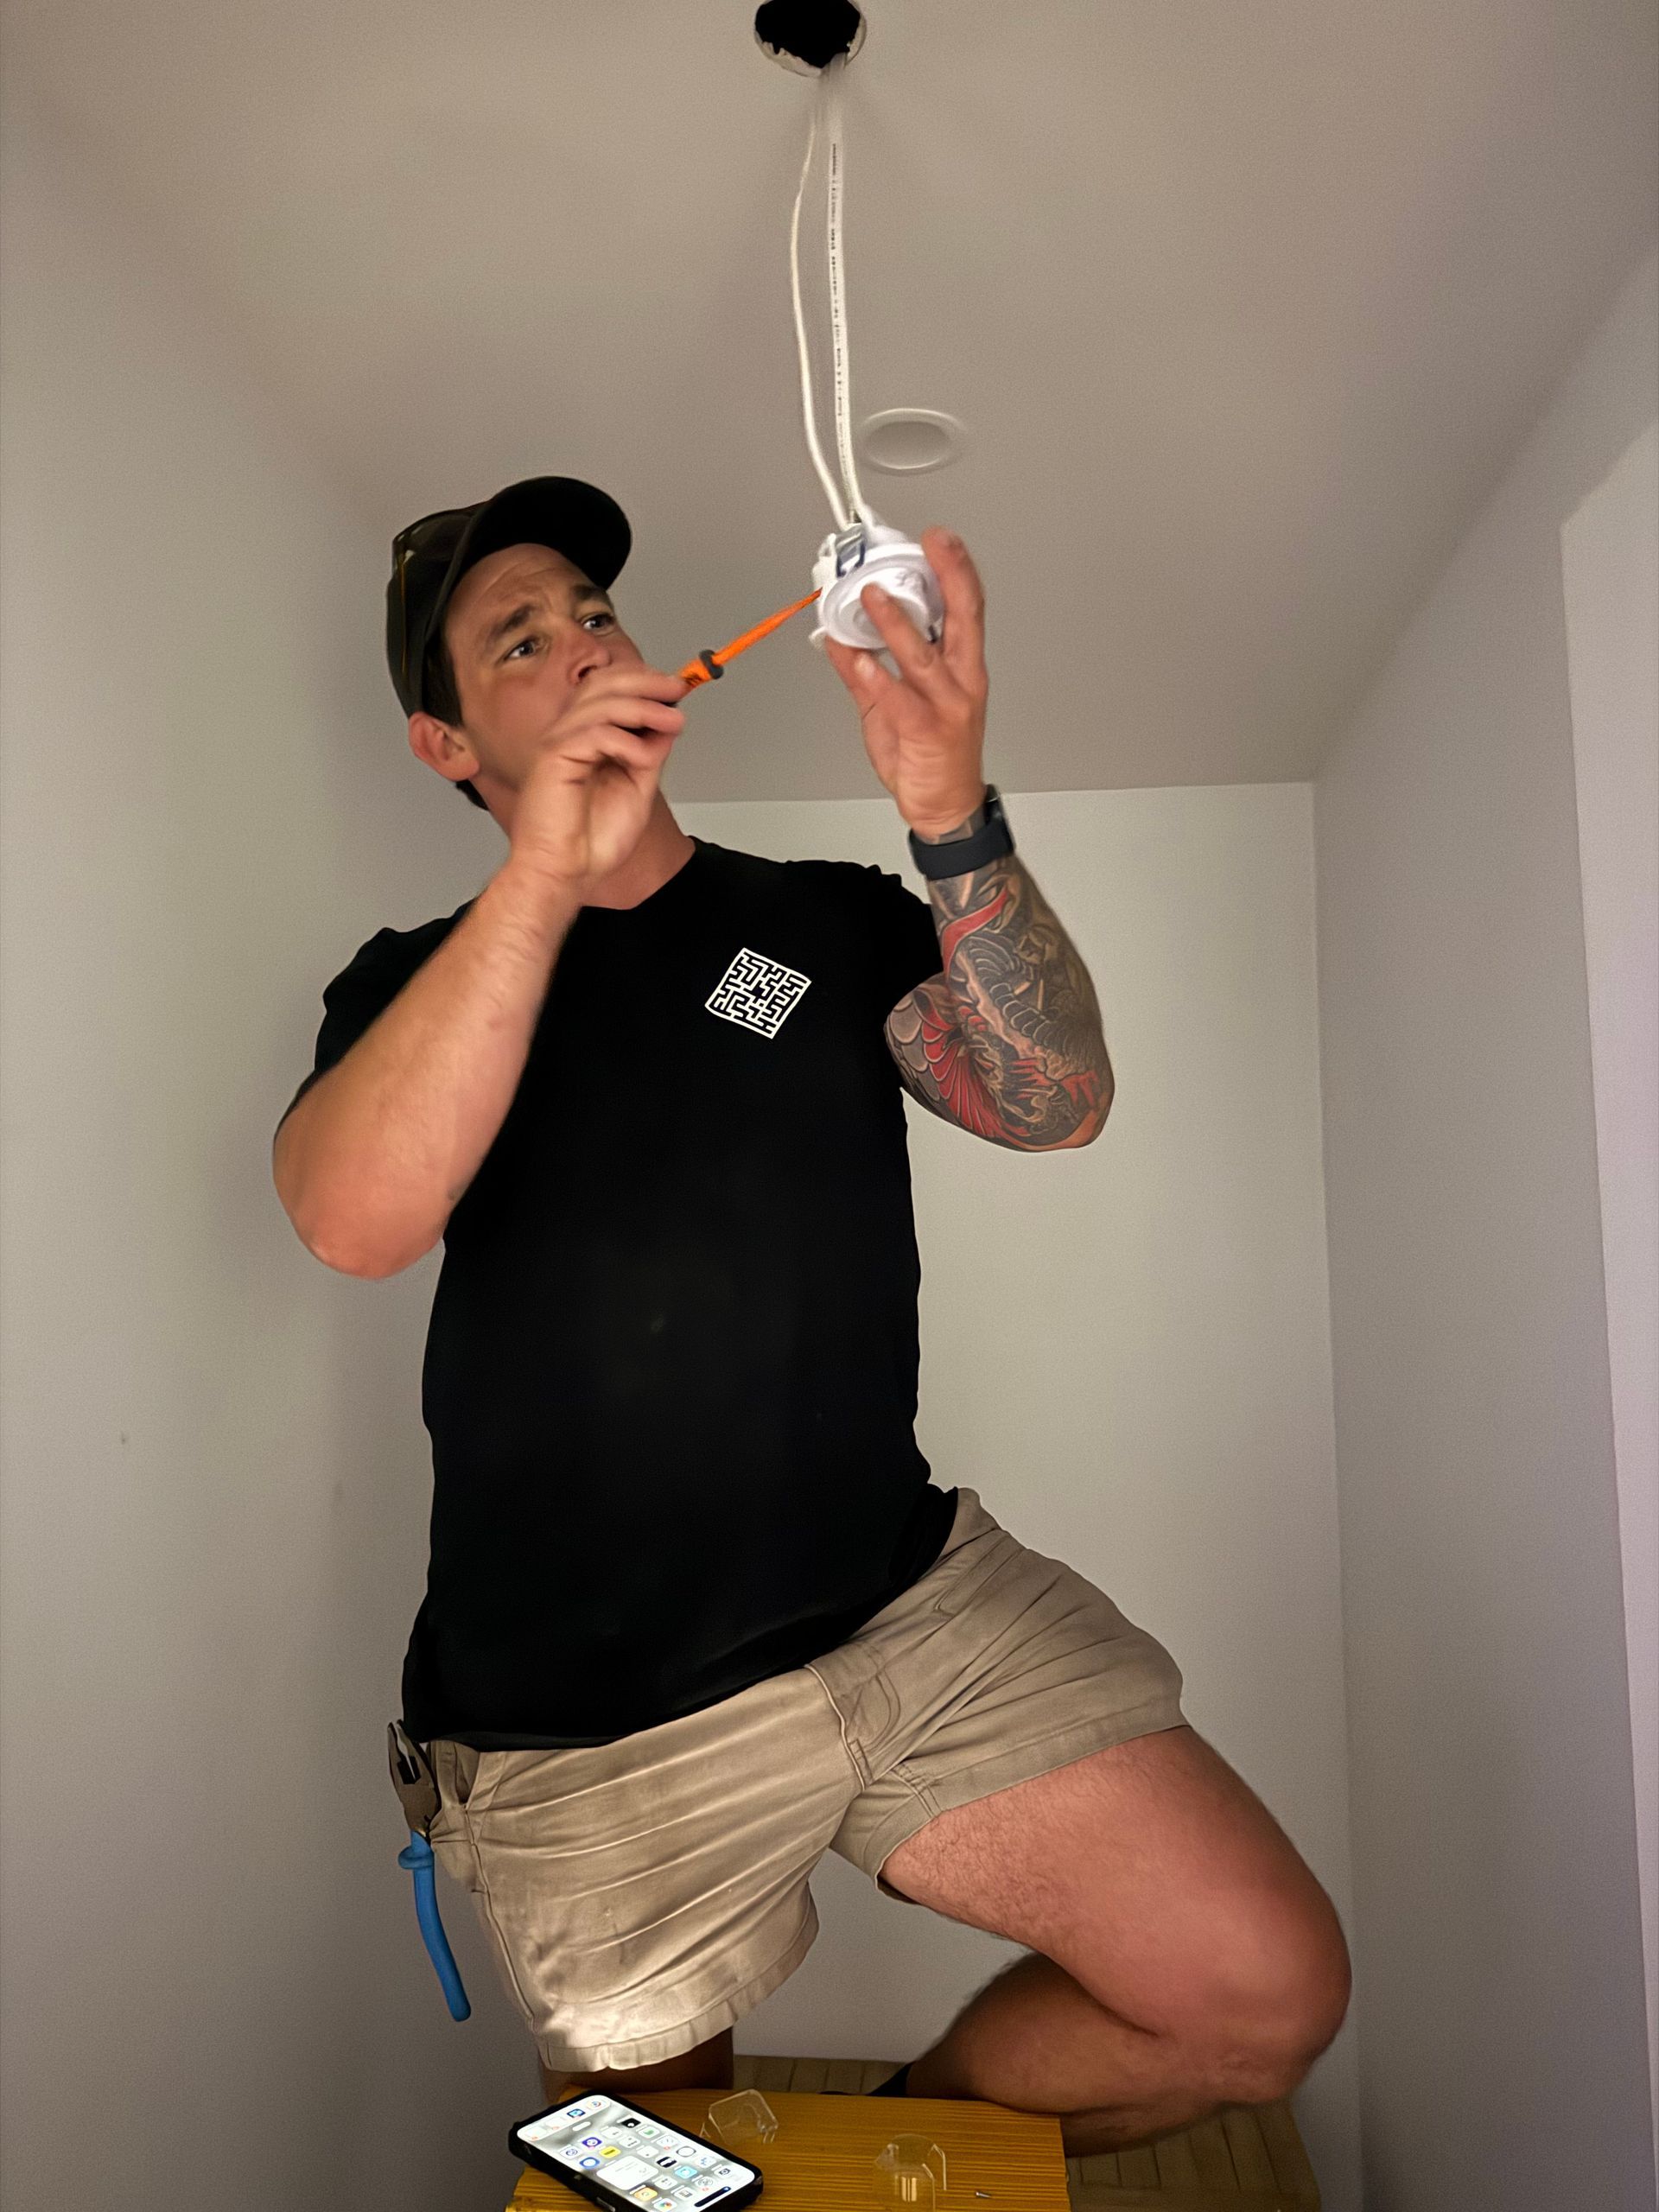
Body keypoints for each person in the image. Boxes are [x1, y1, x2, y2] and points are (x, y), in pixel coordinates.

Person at [272, 476, 1350, 2153]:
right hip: (583, 1694)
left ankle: (886, 2164)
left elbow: (1054, 1100)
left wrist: (951, 809)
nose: (584, 645)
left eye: (595, 613)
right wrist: (544, 880)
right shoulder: (412, 973)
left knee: (1258, 1991)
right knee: (646, 2166)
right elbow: (350, 1218)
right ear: (446, 745)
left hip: (900, 1599)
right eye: (520, 638)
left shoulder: (825, 919)